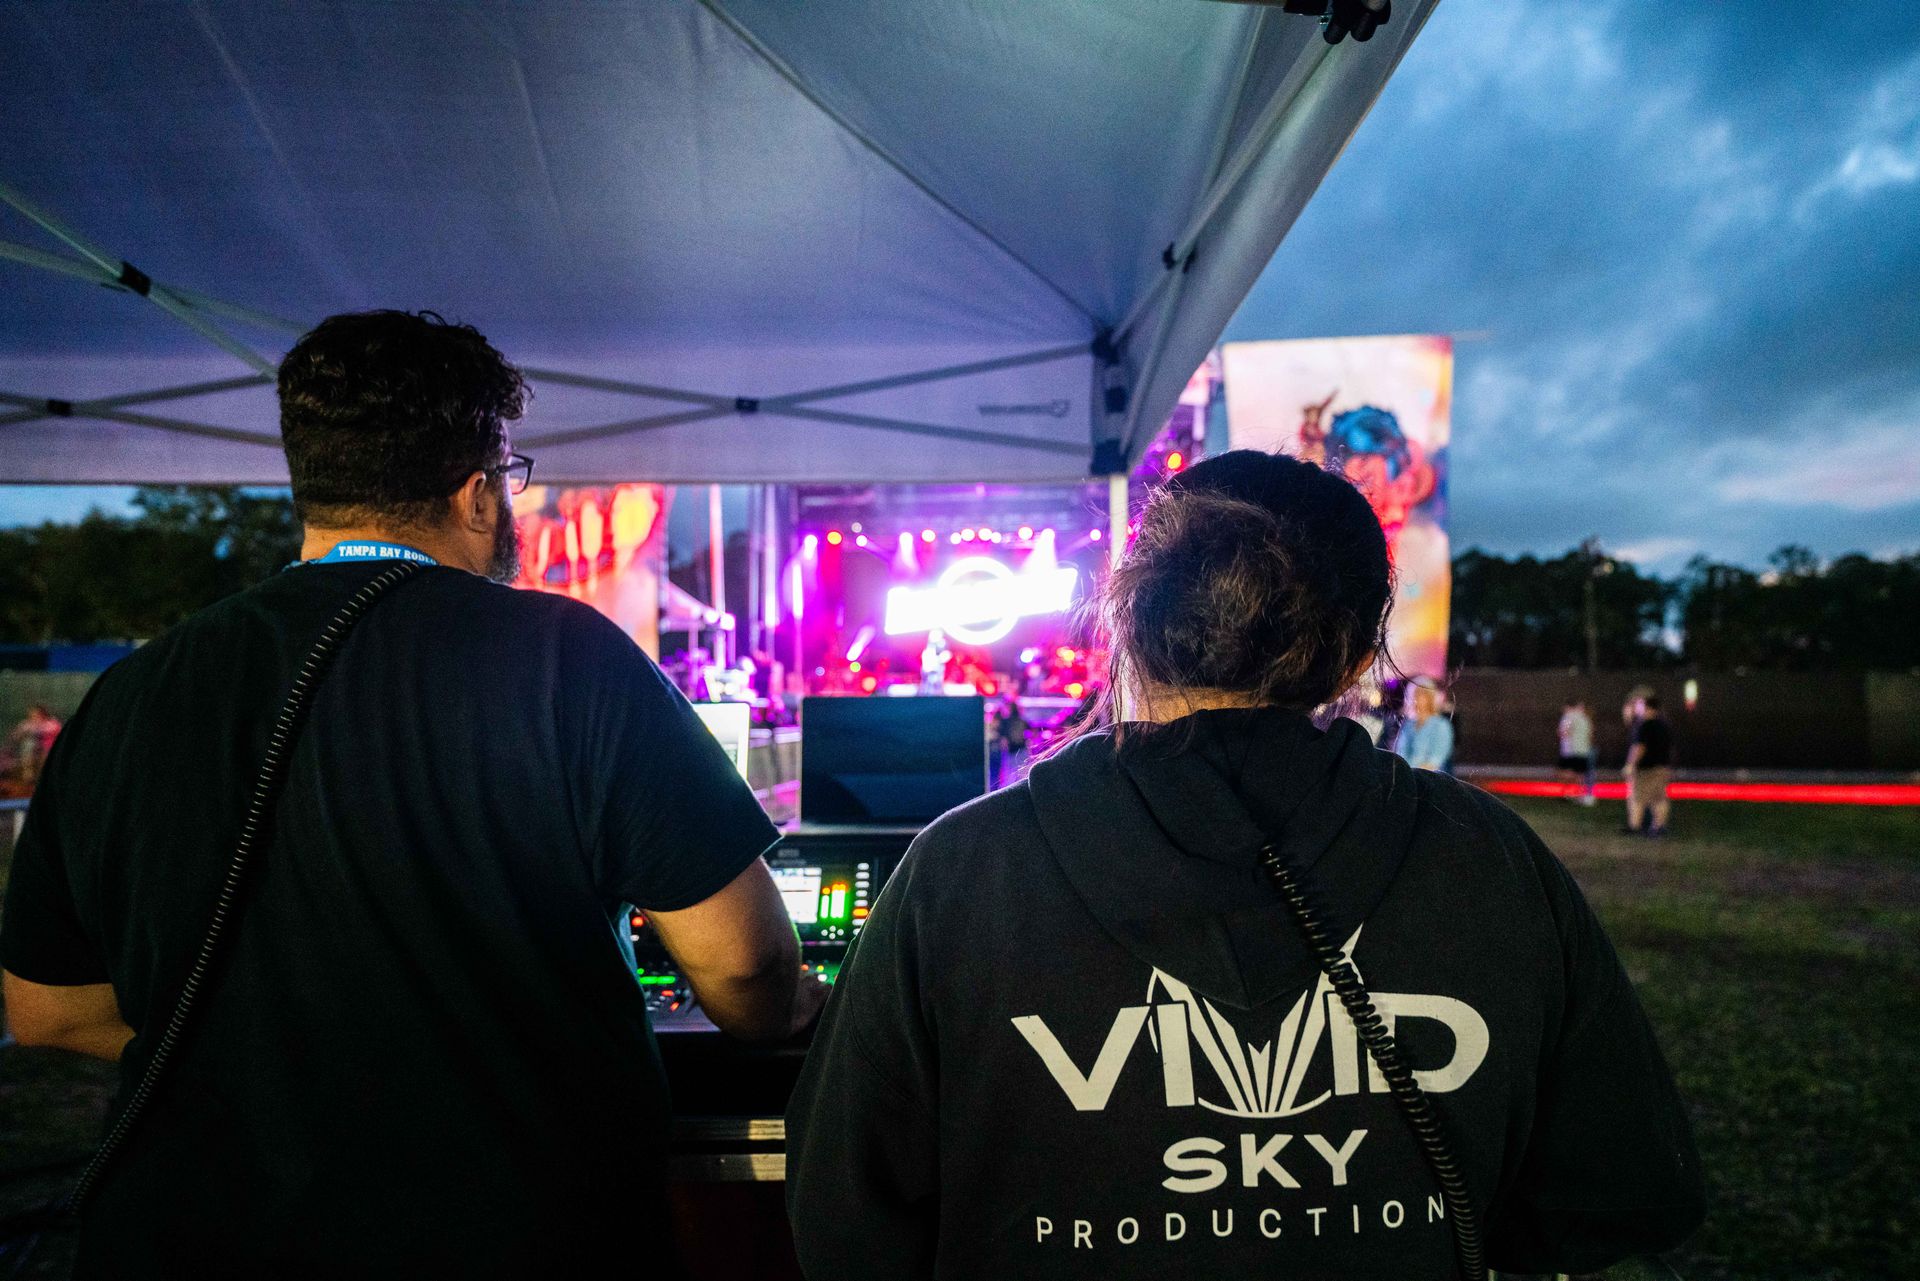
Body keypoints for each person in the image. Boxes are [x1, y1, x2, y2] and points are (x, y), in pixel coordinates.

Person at [1, 310, 825, 1277]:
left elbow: (48, 1009)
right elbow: (743, 968)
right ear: (478, 493)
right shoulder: (566, 657)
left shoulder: (134, 692)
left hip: (194, 1240)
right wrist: (809, 1015)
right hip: (516, 1233)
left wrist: (278, 1051)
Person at [787, 450, 1702, 1279]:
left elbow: (841, 1214)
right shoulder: (1492, 860)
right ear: (1354, 650)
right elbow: (1618, 1186)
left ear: (1128, 621)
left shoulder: (957, 875)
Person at [1624, 694, 1675, 837]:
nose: (1637, 708)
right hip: (1662, 766)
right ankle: (1659, 827)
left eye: (1639, 705)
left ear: (1646, 707)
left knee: (1637, 798)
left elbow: (1639, 748)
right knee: (1659, 798)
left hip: (1645, 768)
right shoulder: (1664, 725)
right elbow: (1670, 747)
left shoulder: (1644, 725)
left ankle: (1634, 827)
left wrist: (1631, 764)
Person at [1393, 681, 1454, 772]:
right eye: (1415, 694)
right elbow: (1400, 753)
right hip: (1407, 774)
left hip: (1430, 777)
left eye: (1422, 694)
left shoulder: (1441, 725)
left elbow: (1436, 759)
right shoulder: (1408, 725)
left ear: (1430, 698)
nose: (1417, 698)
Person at [5, 703, 63, 788]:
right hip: (32, 750)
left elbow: (55, 732)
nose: (33, 715)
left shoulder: (51, 723)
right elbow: (16, 735)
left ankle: (45, 779)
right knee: (28, 745)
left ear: (42, 713)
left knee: (42, 754)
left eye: (35, 713)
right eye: (32, 713)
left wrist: (35, 731)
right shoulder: (27, 724)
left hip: (49, 749)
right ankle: (29, 778)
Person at [1557, 699, 1597, 806]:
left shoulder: (1571, 717)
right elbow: (1590, 735)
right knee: (1582, 774)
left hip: (1574, 750)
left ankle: (1571, 793)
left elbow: (1564, 732)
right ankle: (1581, 794)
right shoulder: (1585, 719)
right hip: (1583, 750)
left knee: (1570, 773)